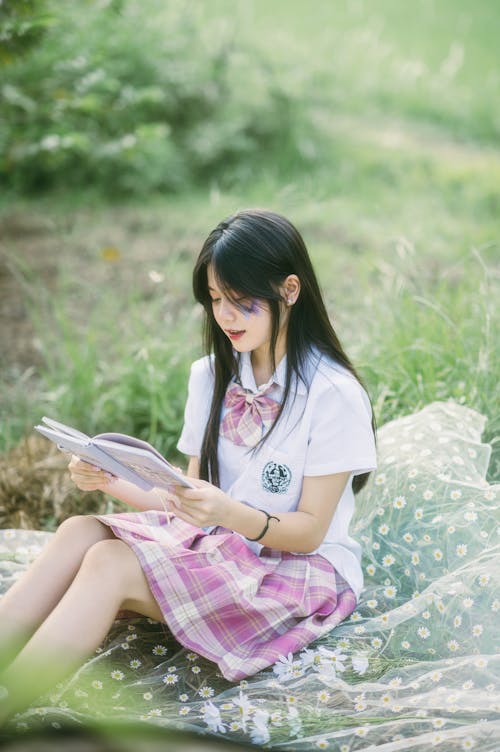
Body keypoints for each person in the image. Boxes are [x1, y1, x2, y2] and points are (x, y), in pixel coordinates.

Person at [0, 209, 377, 721]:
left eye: (243, 301)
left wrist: (226, 511)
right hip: (223, 545)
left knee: (109, 564)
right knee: (78, 530)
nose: (226, 317)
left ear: (290, 290)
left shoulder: (333, 394)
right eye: (217, 300)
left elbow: (309, 532)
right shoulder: (212, 375)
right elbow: (185, 500)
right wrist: (109, 478)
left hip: (295, 571)